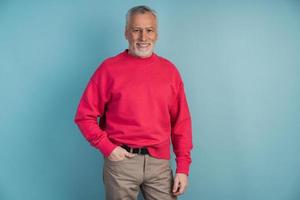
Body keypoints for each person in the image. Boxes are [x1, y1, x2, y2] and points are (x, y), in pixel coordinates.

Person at [74, 5, 193, 200]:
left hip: (159, 164)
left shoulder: (169, 72)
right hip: (121, 163)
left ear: (156, 34)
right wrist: (108, 148)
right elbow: (83, 117)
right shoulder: (109, 69)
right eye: (136, 30)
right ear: (126, 33)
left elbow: (182, 123)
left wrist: (183, 167)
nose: (143, 38)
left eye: (149, 30)